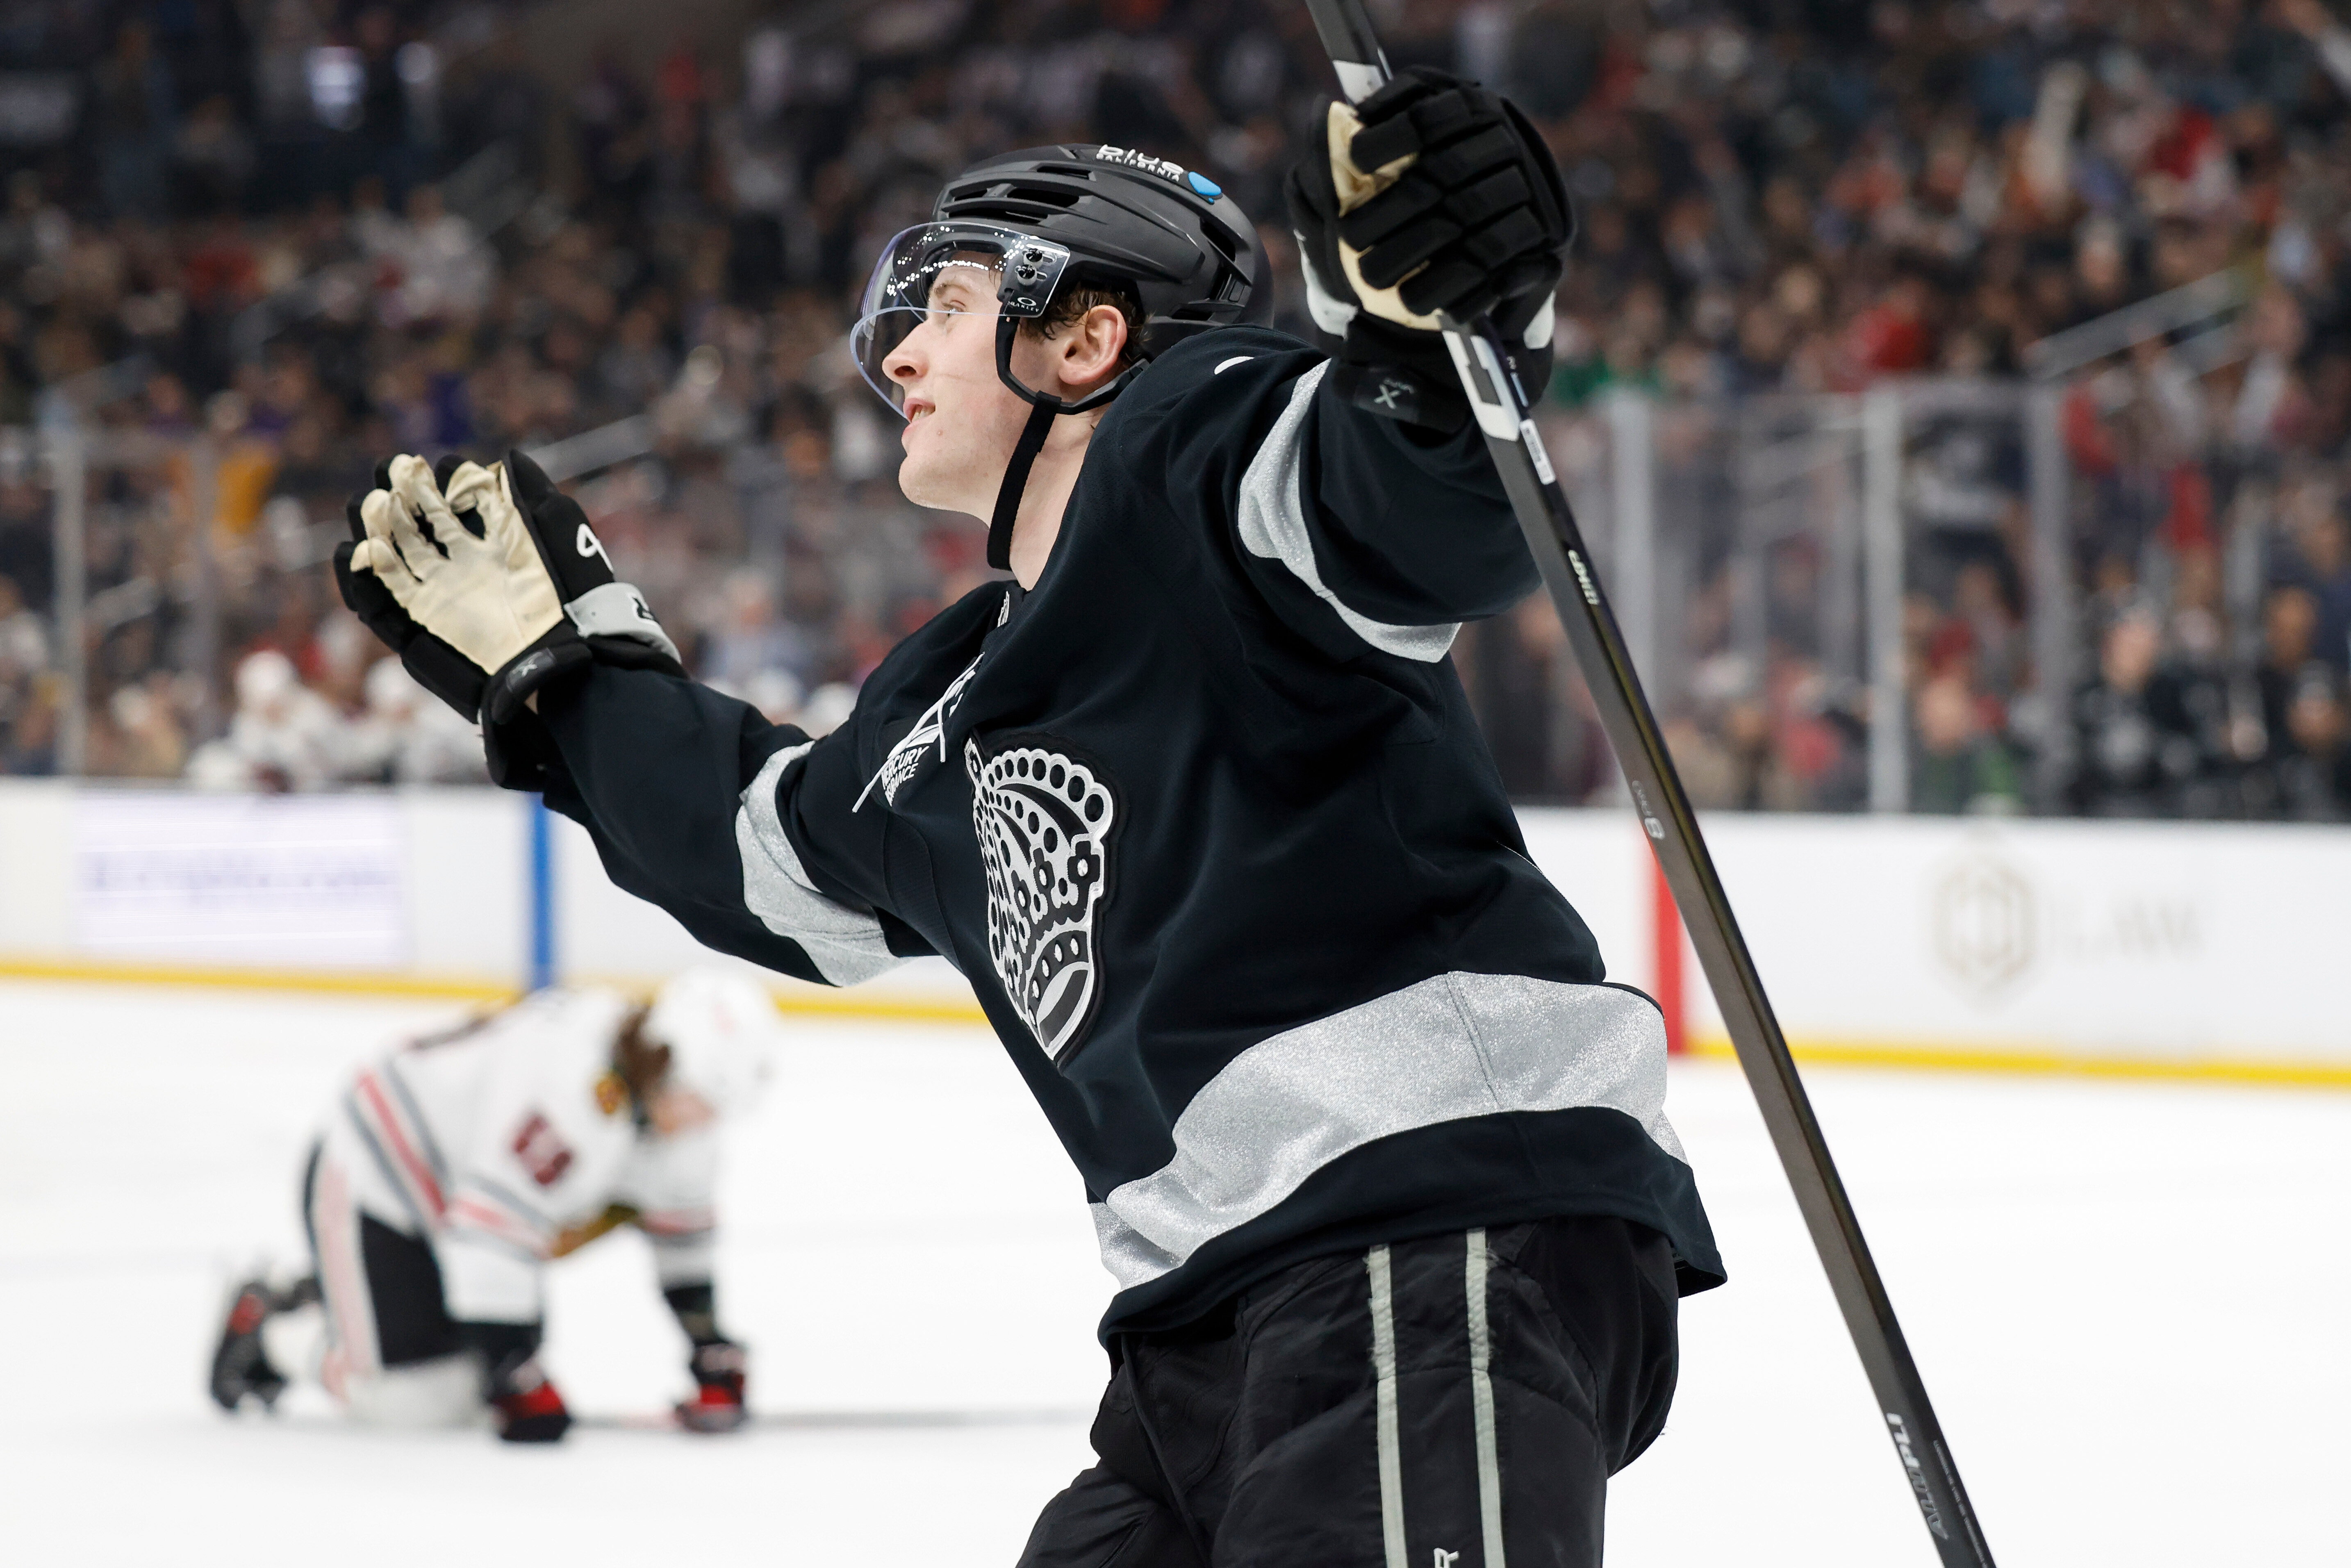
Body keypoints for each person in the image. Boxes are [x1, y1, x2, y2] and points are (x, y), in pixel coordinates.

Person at [333, 70, 1718, 1563]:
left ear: (1084, 335)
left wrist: (1431, 340)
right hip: (1205, 1324)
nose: (900, 352)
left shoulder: (1195, 448)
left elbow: (1414, 506)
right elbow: (758, 857)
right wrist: (571, 684)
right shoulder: (952, 701)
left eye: (946, 304)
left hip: (1427, 1233)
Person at [207, 968, 782, 1442]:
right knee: (416, 1401)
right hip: (376, 1172)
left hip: (460, 1199)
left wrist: (707, 1342)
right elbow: (494, 1234)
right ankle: (274, 1328)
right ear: (662, 1060)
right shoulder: (567, 1089)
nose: (702, 1124)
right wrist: (514, 1369)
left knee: (468, 1382)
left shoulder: (669, 1101)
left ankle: (347, 1302)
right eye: (698, 1102)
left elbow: (678, 1225)